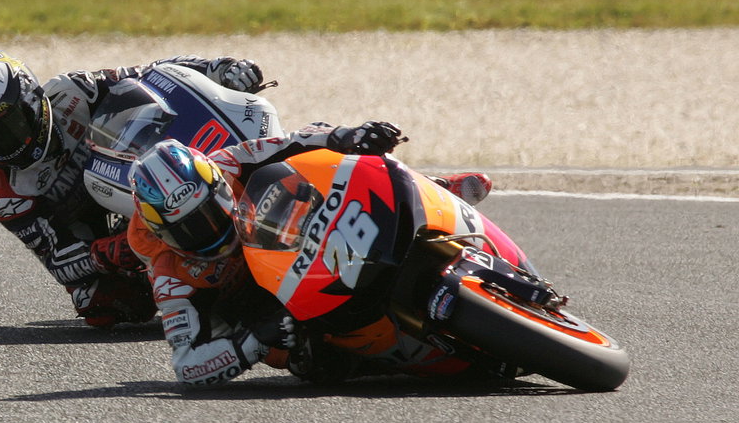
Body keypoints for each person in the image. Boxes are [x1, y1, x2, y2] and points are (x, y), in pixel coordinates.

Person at [126, 124, 496, 387]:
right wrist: (253, 339)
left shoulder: (230, 162)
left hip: (287, 237)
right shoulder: (168, 273)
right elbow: (187, 366)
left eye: (212, 211)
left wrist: (349, 137)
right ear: (161, 232)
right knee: (318, 365)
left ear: (218, 184)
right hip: (264, 305)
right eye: (189, 229)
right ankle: (397, 357)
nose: (209, 231)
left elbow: (299, 140)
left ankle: (435, 189)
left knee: (349, 165)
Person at [0, 50, 274, 328]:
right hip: (86, 229)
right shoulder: (5, 190)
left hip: (126, 173)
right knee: (101, 303)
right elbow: (57, 262)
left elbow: (155, 74)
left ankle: (229, 176)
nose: (4, 145)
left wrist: (219, 69)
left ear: (34, 102)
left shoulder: (72, 91)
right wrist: (103, 254)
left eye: (10, 126)